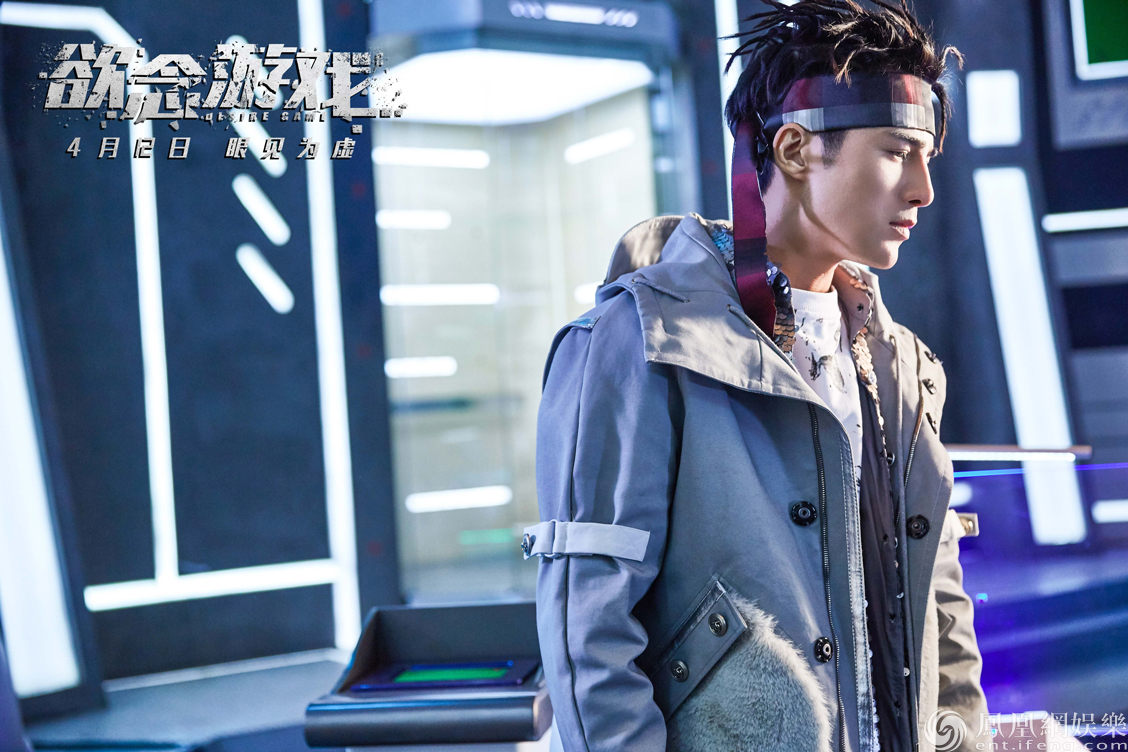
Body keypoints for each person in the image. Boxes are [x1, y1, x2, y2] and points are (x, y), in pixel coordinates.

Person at [522, 0, 990, 750]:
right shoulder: (638, 342)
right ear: (796, 149)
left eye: (927, 157)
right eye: (898, 151)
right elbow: (590, 636)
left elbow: (940, 608)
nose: (922, 189)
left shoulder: (899, 364)